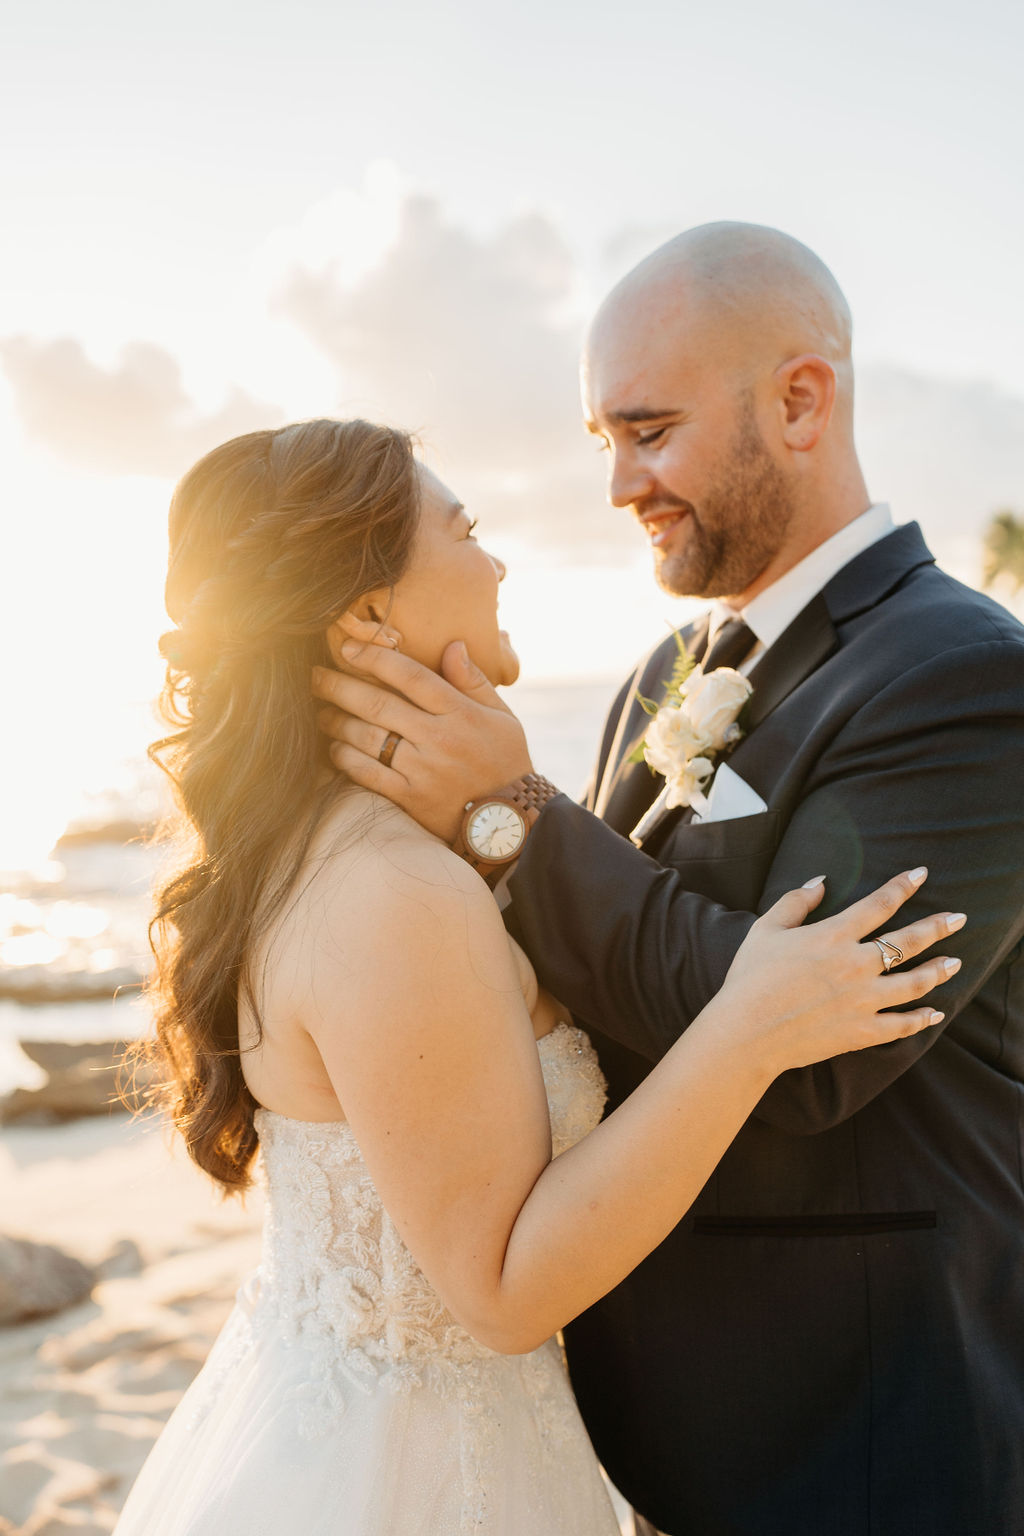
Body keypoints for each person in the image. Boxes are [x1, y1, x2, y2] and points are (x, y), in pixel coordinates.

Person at [113, 418, 957, 1536]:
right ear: (367, 616)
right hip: (418, 1478)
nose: (496, 560)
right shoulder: (393, 891)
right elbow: (502, 1291)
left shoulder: (335, 848)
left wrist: (502, 812)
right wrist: (746, 1025)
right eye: (463, 530)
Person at [313, 225, 1024, 1536]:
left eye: (648, 431)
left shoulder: (970, 679)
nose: (620, 483)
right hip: (671, 1456)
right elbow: (602, 974)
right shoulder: (662, 674)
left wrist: (508, 812)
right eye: (603, 442)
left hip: (868, 1448)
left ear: (802, 400)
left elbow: (808, 1044)